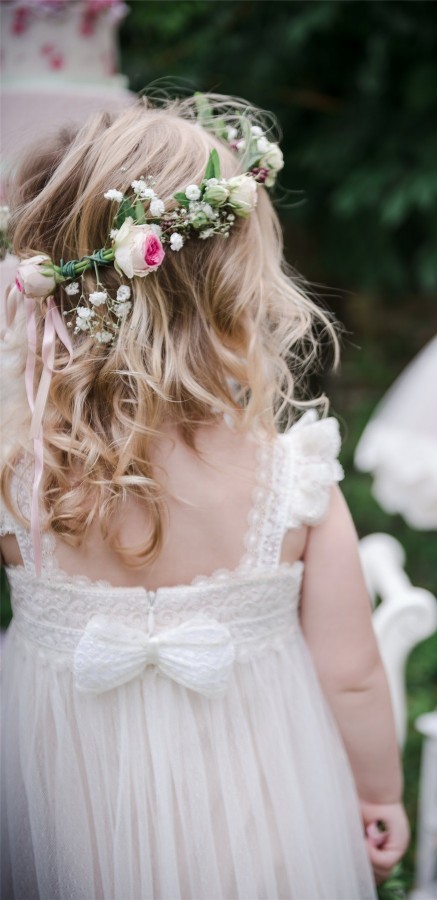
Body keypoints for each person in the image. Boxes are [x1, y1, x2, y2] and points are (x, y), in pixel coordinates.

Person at [0, 95, 408, 899]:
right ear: (232, 294)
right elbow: (353, 672)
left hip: (63, 793)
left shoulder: (18, 475)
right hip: (258, 802)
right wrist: (377, 792)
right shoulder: (294, 480)